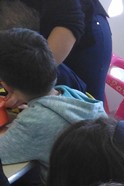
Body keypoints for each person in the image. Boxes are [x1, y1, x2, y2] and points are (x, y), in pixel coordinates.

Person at [0, 28, 106, 167]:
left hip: (69, 182)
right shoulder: (73, 94)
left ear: (6, 85)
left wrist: (29, 118)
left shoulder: (34, 121)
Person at [0, 0, 113, 103]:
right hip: (39, 30)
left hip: (79, 33)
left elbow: (69, 21)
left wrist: (24, 85)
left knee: (86, 104)